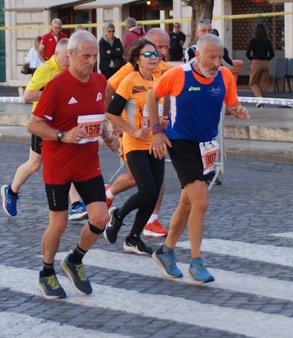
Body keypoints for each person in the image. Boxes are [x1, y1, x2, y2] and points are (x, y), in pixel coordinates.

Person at [146, 34, 249, 283]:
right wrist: (157, 131)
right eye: (211, 57)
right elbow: (152, 96)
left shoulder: (224, 75)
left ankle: (166, 251)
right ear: (198, 55)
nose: (216, 62)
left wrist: (237, 108)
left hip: (207, 145)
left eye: (219, 57)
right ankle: (196, 261)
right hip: (181, 142)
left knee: (187, 202)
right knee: (201, 202)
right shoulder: (178, 74)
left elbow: (231, 100)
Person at [27, 30, 118, 299]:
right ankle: (46, 272)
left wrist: (107, 135)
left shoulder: (100, 81)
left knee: (101, 218)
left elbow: (96, 116)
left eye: (94, 56)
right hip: (59, 164)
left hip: (88, 163)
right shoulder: (57, 85)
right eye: (86, 56)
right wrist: (62, 136)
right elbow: (33, 124)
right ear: (71, 55)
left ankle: (75, 260)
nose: (91, 61)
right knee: (59, 223)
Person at [1, 39, 87, 222]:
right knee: (34, 164)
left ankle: (76, 204)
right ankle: (11, 191)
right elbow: (28, 95)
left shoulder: (70, 71)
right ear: (56, 54)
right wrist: (53, 95)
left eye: (70, 57)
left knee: (66, 159)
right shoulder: (45, 70)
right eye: (65, 57)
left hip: (62, 122)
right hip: (42, 123)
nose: (68, 61)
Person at [105, 27, 171, 237]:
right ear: (138, 58)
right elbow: (111, 107)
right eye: (151, 52)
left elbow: (167, 98)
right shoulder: (129, 77)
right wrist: (127, 129)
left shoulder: (160, 77)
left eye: (160, 51)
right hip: (135, 141)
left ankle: (135, 236)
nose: (157, 55)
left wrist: (165, 120)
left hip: (156, 141)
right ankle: (116, 211)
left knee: (152, 190)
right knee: (144, 187)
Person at [246, 24, 275, 98]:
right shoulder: (267, 41)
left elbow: (247, 53)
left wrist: (252, 59)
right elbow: (272, 54)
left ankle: (259, 97)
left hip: (256, 62)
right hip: (265, 63)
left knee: (253, 82)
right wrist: (266, 60)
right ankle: (263, 100)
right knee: (263, 84)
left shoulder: (253, 41)